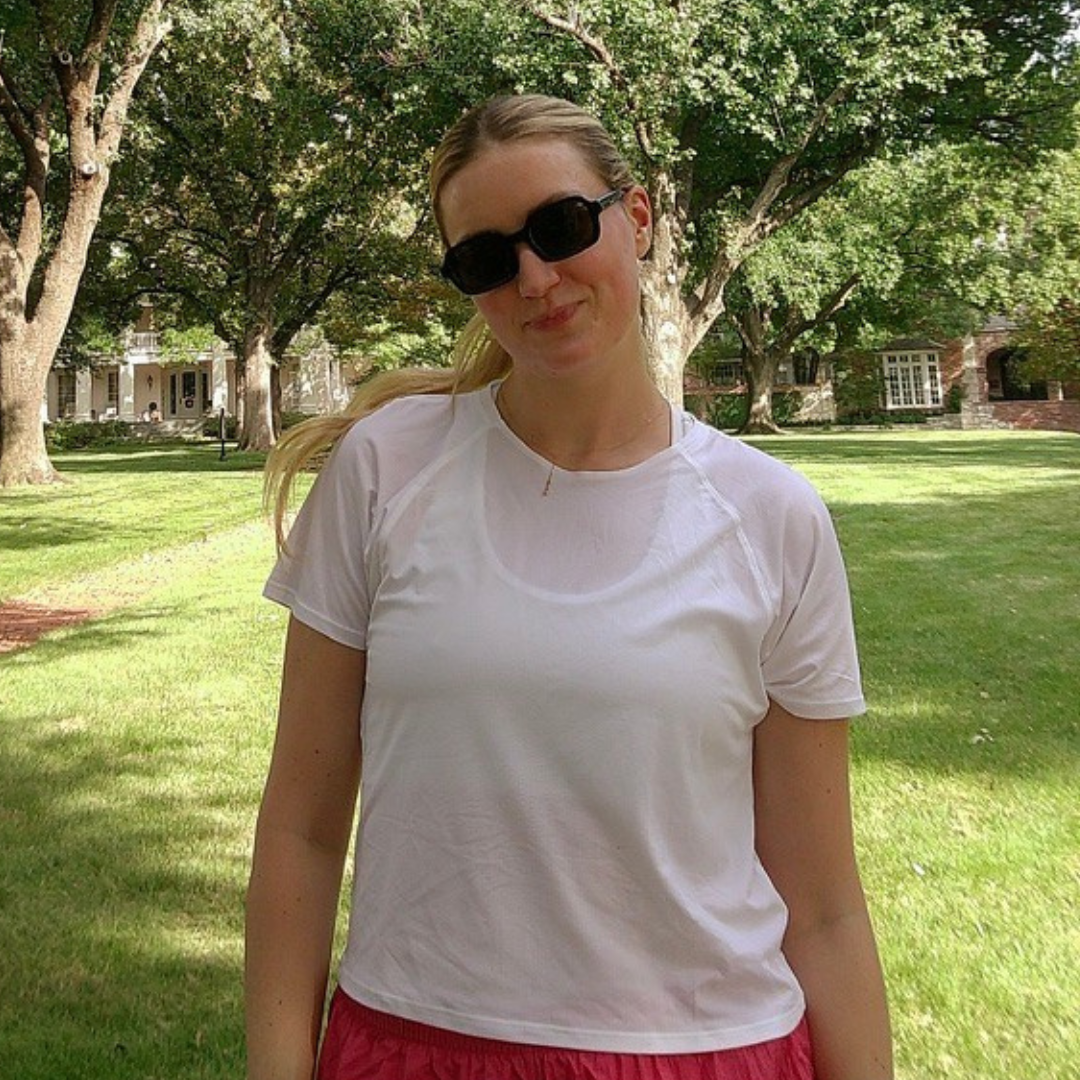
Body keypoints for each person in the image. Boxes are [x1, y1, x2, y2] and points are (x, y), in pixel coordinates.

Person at [246, 93, 893, 1080]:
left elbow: (826, 907)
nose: (536, 279)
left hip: (707, 1051)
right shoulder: (385, 471)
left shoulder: (771, 517)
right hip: (415, 1043)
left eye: (559, 226)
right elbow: (300, 829)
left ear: (636, 218)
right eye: (486, 258)